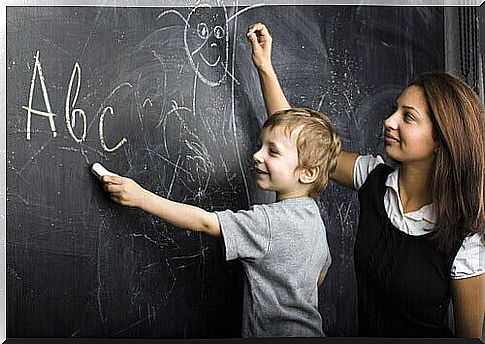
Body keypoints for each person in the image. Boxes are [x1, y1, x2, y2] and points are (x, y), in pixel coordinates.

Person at [246, 22, 485, 338]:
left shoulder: (465, 238)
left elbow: (468, 338)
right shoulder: (373, 179)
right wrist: (265, 68)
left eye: (407, 117)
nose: (389, 121)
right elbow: (300, 143)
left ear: (441, 138)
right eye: (393, 110)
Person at [99, 107, 342, 337]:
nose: (257, 155)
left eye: (273, 151)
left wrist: (141, 197)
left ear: (307, 173)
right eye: (260, 146)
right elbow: (321, 273)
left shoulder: (269, 222)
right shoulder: (313, 218)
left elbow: (205, 223)